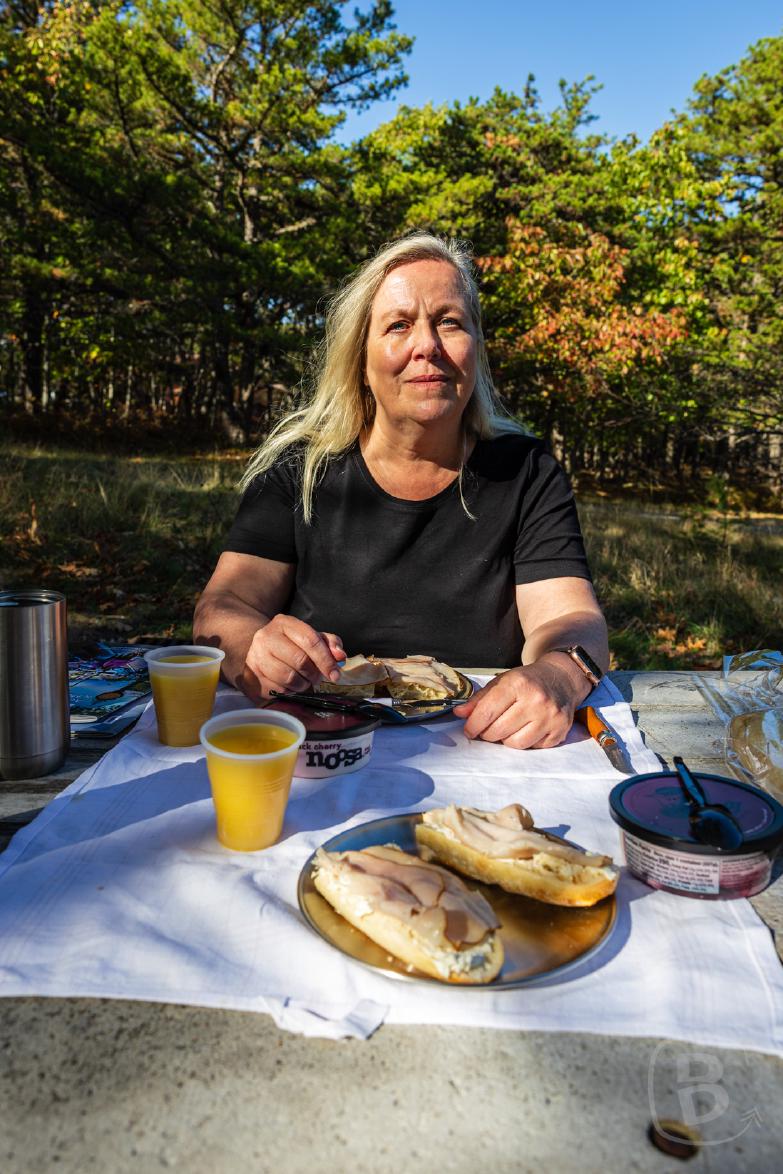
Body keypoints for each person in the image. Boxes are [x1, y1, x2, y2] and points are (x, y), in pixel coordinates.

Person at [194, 232, 608, 749]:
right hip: (320, 750)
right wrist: (253, 646)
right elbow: (222, 606)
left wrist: (561, 675)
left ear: (476, 349)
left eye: (449, 322)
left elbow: (570, 617)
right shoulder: (298, 469)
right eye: (398, 325)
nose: (427, 346)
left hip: (484, 749)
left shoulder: (527, 471)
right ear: (360, 360)